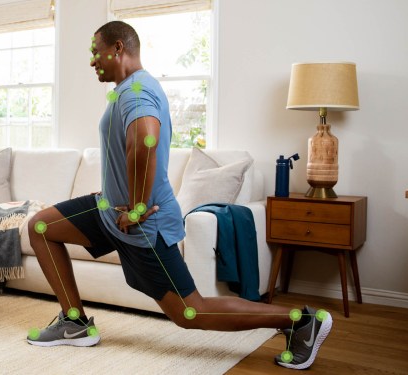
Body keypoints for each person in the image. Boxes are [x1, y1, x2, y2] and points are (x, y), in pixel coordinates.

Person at [26, 20, 332, 370]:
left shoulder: (137, 92)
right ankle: (75, 323)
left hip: (140, 224)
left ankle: (300, 321)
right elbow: (128, 148)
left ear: (118, 49)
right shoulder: (127, 89)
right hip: (110, 211)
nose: (92, 61)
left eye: (96, 52)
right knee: (42, 227)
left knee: (190, 312)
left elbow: (144, 142)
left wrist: (138, 207)